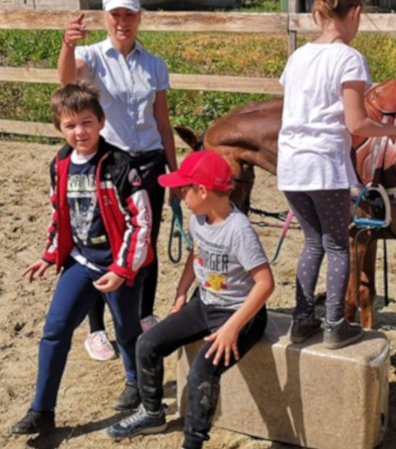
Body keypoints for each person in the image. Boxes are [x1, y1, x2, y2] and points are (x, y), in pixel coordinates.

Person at [9, 83, 153, 435]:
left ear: (101, 121)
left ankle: (135, 384)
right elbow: (61, 214)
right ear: (59, 128)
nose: (79, 132)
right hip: (80, 262)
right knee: (54, 331)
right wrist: (50, 254)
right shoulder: (60, 163)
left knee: (127, 328)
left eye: (86, 122)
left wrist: (122, 269)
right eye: (70, 125)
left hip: (119, 266)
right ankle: (42, 409)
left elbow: (141, 222)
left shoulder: (120, 165)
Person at [106, 150, 274, 449]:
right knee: (148, 344)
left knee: (201, 371)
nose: (179, 193)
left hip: (240, 314)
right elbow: (194, 254)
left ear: (203, 190)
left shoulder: (239, 231)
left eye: (184, 188)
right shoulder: (200, 217)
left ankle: (193, 443)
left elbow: (265, 284)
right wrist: (182, 292)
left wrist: (233, 328)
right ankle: (153, 413)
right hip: (204, 303)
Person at [278, 0, 396, 349]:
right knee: (338, 245)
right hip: (323, 165)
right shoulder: (349, 58)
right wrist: (393, 132)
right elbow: (356, 123)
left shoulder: (298, 56)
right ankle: (335, 323)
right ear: (354, 13)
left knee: (312, 243)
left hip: (291, 165)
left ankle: (302, 320)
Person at [58, 0, 178, 362]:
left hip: (150, 160)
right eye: (115, 15)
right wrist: (67, 44)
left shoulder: (154, 64)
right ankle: (96, 329)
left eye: (129, 14)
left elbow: (162, 118)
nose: (122, 22)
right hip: (110, 164)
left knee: (147, 244)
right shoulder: (91, 57)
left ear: (138, 17)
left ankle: (143, 313)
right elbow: (65, 81)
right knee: (100, 244)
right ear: (106, 18)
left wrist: (175, 173)